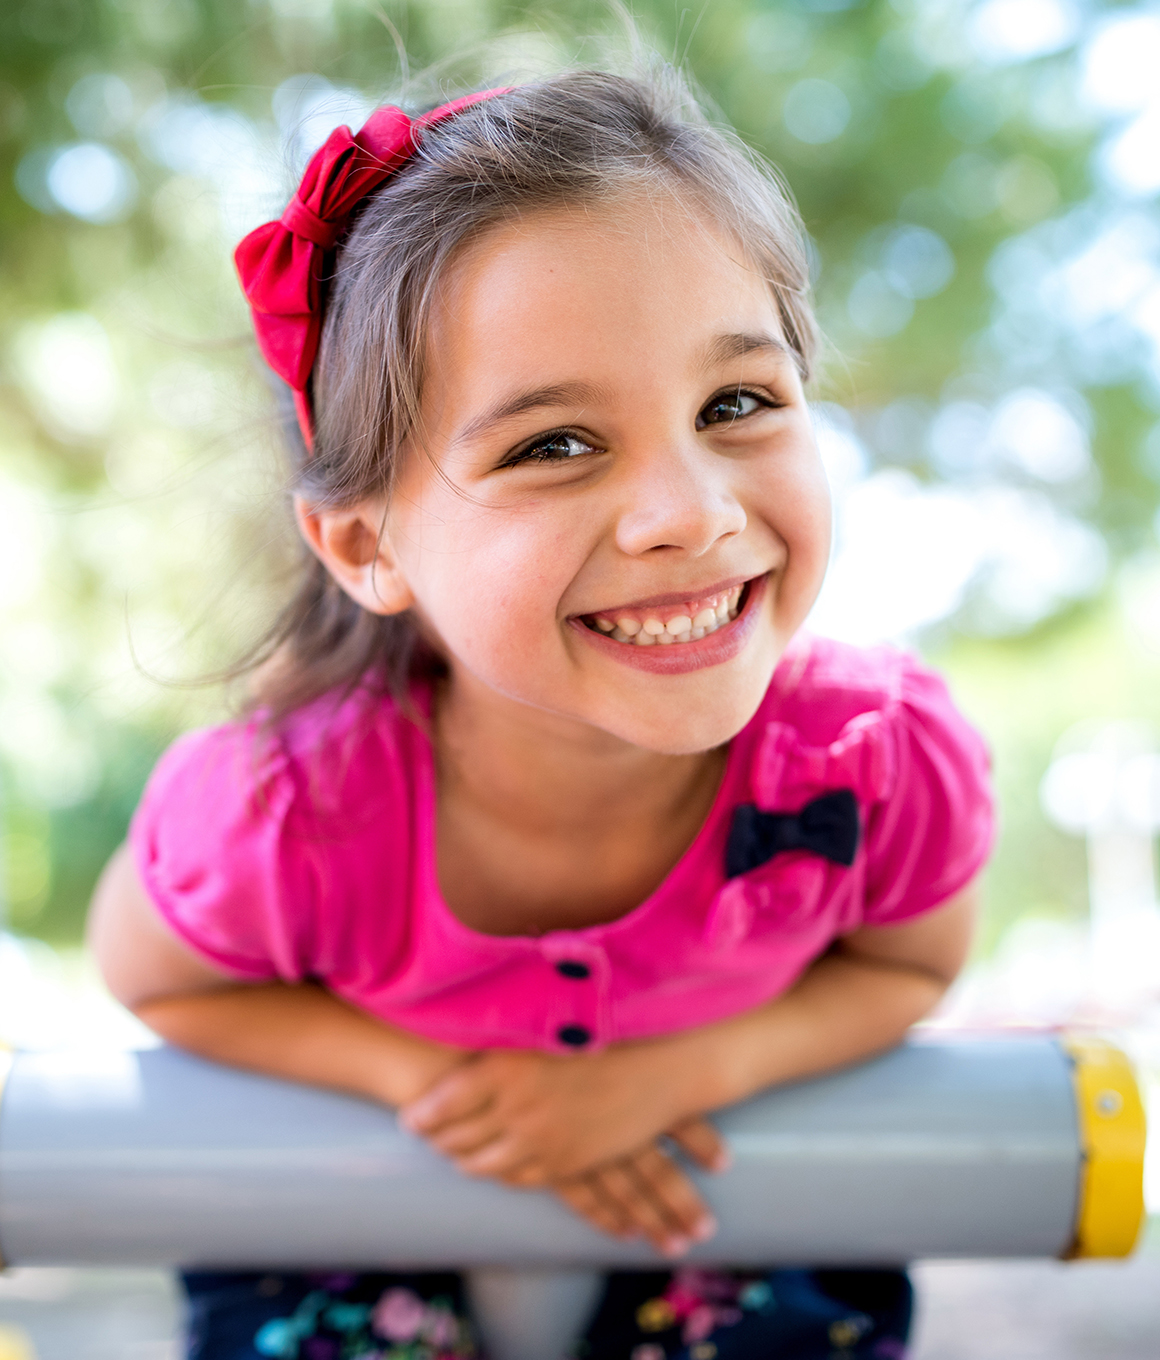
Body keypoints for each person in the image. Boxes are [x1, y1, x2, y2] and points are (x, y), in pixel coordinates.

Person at [88, 66, 994, 1360]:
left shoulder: (876, 766)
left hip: (717, 1209)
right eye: (553, 443)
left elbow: (910, 966)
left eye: (736, 403)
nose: (687, 511)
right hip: (360, 1227)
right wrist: (435, 1091)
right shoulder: (281, 816)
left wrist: (675, 1077)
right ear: (364, 544)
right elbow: (159, 981)